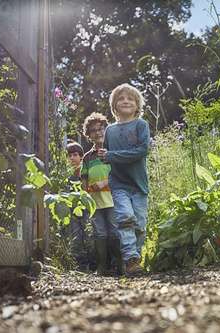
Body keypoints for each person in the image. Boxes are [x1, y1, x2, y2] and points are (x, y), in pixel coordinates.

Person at [98, 83, 150, 275]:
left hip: (139, 184)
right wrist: (105, 155)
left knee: (139, 224)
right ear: (114, 105)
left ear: (137, 106)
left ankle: (137, 255)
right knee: (125, 218)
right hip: (119, 183)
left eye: (130, 99)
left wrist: (112, 155)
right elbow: (105, 155)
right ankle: (131, 259)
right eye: (121, 98)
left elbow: (142, 151)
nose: (126, 101)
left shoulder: (141, 125)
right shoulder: (110, 131)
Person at [81, 113, 126, 276]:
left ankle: (121, 265)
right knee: (99, 233)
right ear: (88, 135)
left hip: (112, 200)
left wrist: (103, 183)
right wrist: (85, 194)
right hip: (95, 203)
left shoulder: (113, 152)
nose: (98, 132)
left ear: (107, 130)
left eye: (101, 129)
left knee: (115, 231)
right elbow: (84, 178)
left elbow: (119, 173)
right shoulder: (87, 157)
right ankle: (101, 267)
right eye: (93, 130)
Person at [65, 140, 96, 272]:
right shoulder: (66, 174)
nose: (72, 158)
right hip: (72, 210)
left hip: (86, 208)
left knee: (88, 236)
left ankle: (94, 265)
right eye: (69, 156)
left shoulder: (85, 169)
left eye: (75, 155)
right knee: (75, 237)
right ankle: (80, 267)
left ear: (81, 156)